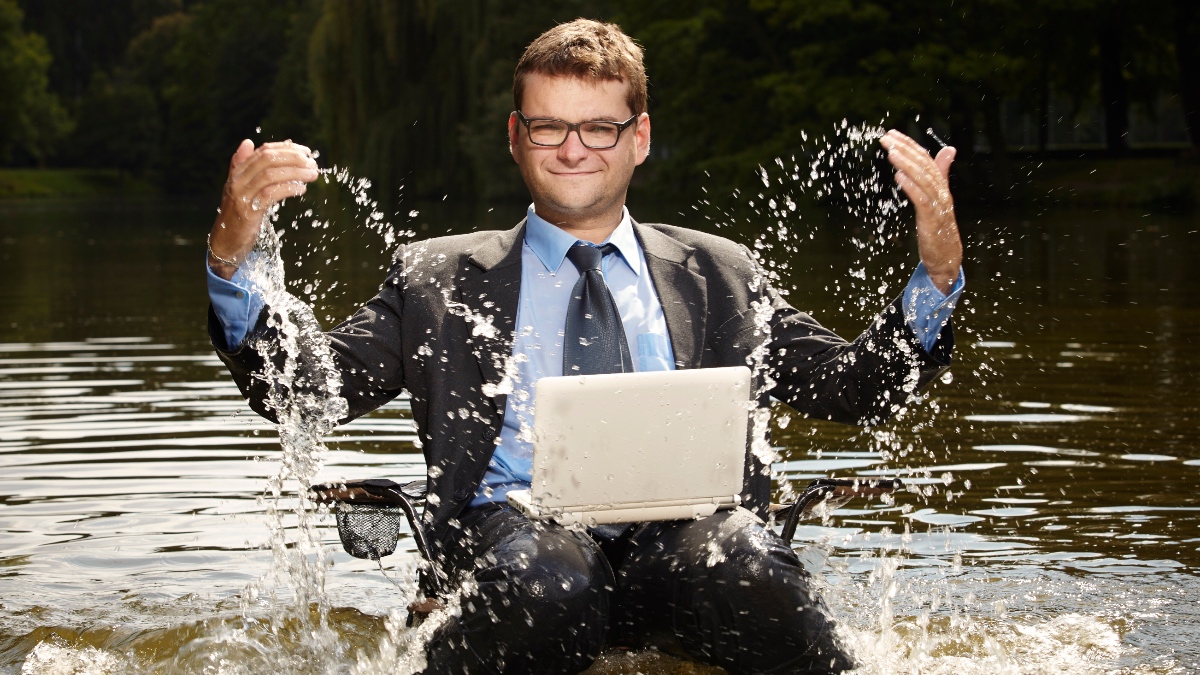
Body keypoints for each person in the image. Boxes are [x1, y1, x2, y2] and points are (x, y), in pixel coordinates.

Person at [205, 19, 963, 675]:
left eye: (598, 127)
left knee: (741, 558)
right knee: (553, 574)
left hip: (686, 541)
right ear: (516, 136)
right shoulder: (437, 278)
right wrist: (234, 267)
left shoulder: (719, 272)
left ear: (638, 138)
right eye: (548, 126)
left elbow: (856, 387)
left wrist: (936, 278)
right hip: (513, 544)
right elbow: (306, 387)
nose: (573, 149)